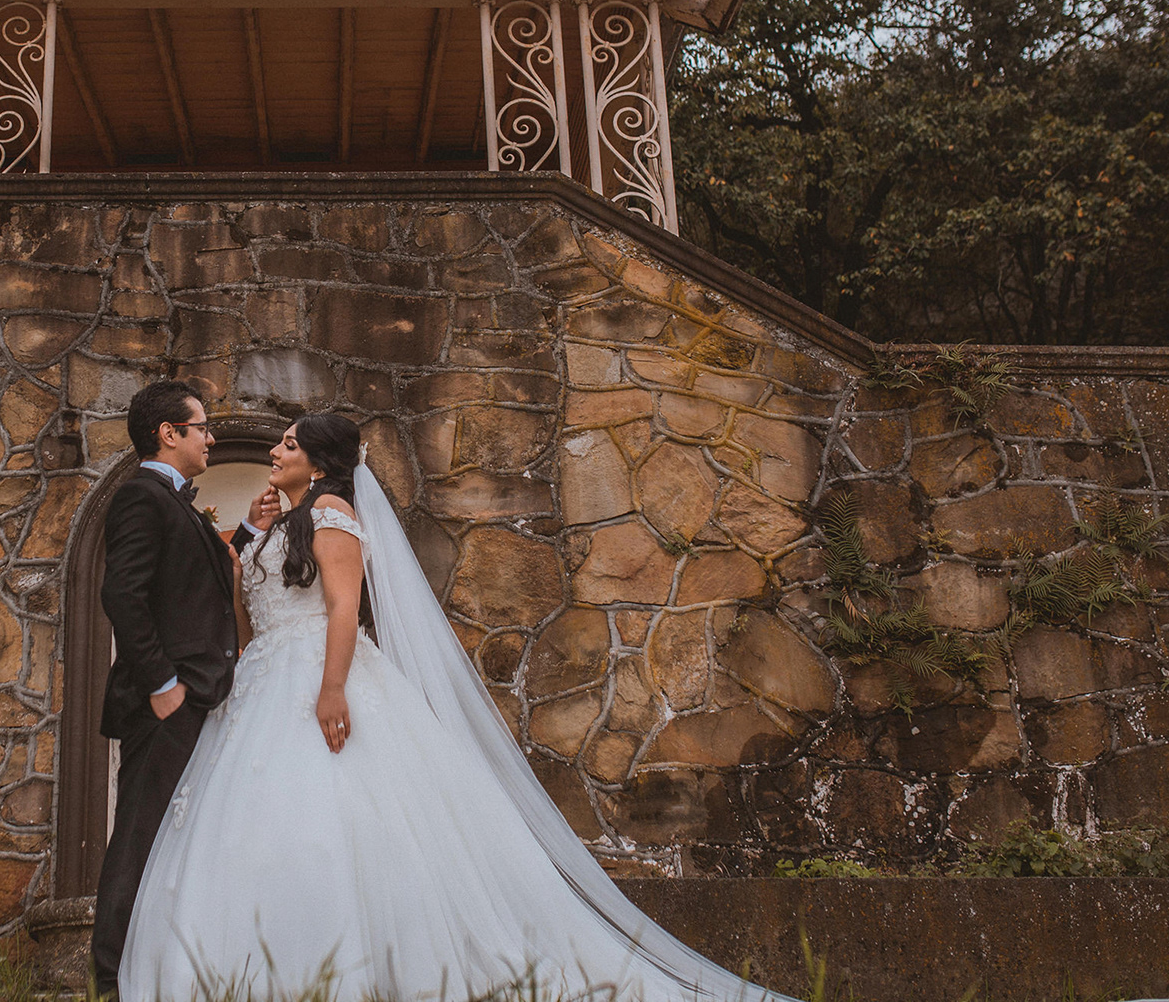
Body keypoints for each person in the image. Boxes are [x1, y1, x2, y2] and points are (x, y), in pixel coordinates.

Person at [118, 411, 792, 1002]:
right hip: (263, 679)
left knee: (340, 818)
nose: (275, 452)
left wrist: (331, 689)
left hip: (319, 674)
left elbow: (344, 609)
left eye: (289, 445)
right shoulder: (274, 529)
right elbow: (249, 620)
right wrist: (246, 548)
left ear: (318, 463)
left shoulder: (331, 515)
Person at [91, 379, 270, 996]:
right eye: (202, 427)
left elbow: (191, 582)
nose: (211, 438)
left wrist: (245, 534)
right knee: (140, 835)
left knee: (173, 835)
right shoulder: (140, 496)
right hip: (166, 701)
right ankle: (111, 980)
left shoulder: (172, 501)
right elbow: (123, 595)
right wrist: (162, 683)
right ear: (169, 434)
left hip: (196, 696)